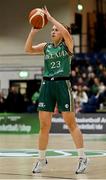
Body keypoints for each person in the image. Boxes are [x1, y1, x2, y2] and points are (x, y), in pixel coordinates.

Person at [25, 6, 88, 174]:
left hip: (62, 84)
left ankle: (82, 157)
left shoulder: (67, 46)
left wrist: (51, 18)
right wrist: (34, 29)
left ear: (62, 33)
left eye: (56, 30)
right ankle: (41, 159)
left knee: (70, 122)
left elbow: (66, 33)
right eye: (51, 30)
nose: (53, 31)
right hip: (47, 85)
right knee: (44, 125)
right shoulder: (47, 47)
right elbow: (28, 49)